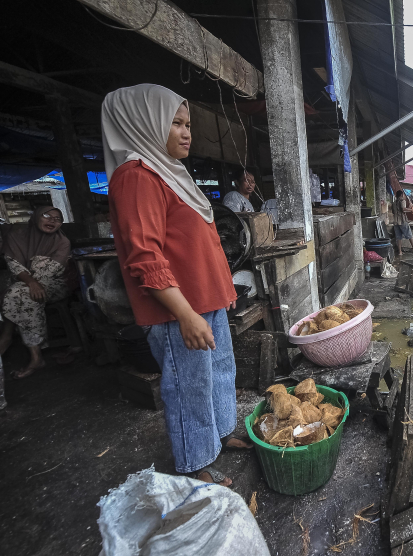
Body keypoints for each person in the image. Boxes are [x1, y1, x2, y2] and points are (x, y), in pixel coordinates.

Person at [103, 84, 251, 487]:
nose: (187, 132)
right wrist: (184, 314)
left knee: (220, 371)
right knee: (188, 384)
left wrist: (224, 292)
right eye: (175, 123)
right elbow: (144, 257)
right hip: (177, 309)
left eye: (187, 124)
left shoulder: (171, 174)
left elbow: (201, 243)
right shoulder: (136, 177)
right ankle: (194, 461)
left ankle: (220, 435)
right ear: (145, 123)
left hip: (207, 300)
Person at [0, 206, 78, 378]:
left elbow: (49, 272)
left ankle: (7, 335)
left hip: (55, 285)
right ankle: (36, 357)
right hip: (24, 286)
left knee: (18, 293)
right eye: (47, 215)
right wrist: (31, 282)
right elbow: (13, 265)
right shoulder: (16, 237)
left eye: (58, 219)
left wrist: (31, 280)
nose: (52, 221)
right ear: (35, 217)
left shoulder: (62, 242)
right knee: (24, 294)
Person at [392, 190, 413, 256]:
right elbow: (403, 209)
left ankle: (400, 252)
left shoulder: (394, 202)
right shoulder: (403, 201)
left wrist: (409, 208)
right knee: (409, 235)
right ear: (401, 195)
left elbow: (395, 211)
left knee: (398, 237)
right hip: (402, 221)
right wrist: (412, 210)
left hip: (396, 222)